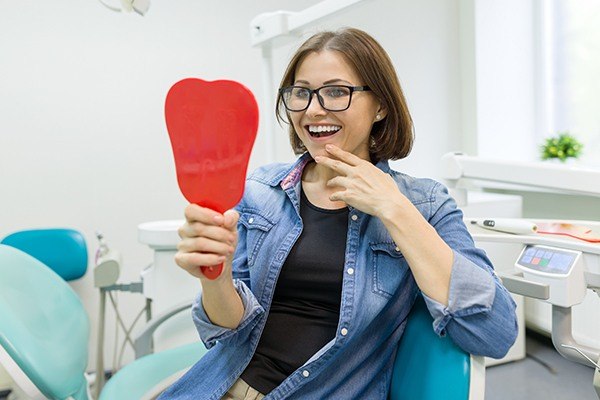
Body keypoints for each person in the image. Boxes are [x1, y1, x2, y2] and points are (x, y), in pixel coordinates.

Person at [158, 27, 518, 400]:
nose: (314, 110)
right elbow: (228, 333)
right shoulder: (260, 192)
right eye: (301, 93)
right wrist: (215, 278)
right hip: (217, 387)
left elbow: (494, 331)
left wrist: (394, 208)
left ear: (380, 105)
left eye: (336, 92)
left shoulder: (425, 204)